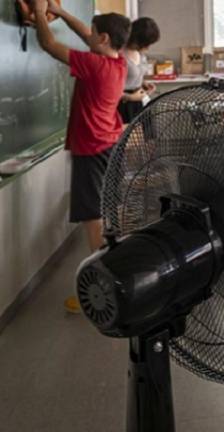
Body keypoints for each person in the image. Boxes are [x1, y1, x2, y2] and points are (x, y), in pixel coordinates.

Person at [32, 0, 131, 313]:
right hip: (109, 145)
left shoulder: (94, 66)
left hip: (92, 149)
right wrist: (60, 12)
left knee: (93, 221)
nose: (89, 36)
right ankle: (115, 277)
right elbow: (89, 34)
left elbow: (48, 43)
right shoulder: (117, 62)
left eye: (94, 34)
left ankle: (103, 290)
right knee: (104, 215)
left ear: (102, 40)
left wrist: (37, 12)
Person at [118, 17, 160, 123]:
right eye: (147, 43)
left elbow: (132, 76)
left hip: (138, 103)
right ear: (138, 40)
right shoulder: (118, 53)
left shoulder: (140, 53)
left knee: (142, 138)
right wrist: (130, 97)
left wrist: (143, 83)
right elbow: (107, 88)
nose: (148, 47)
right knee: (125, 138)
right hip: (122, 104)